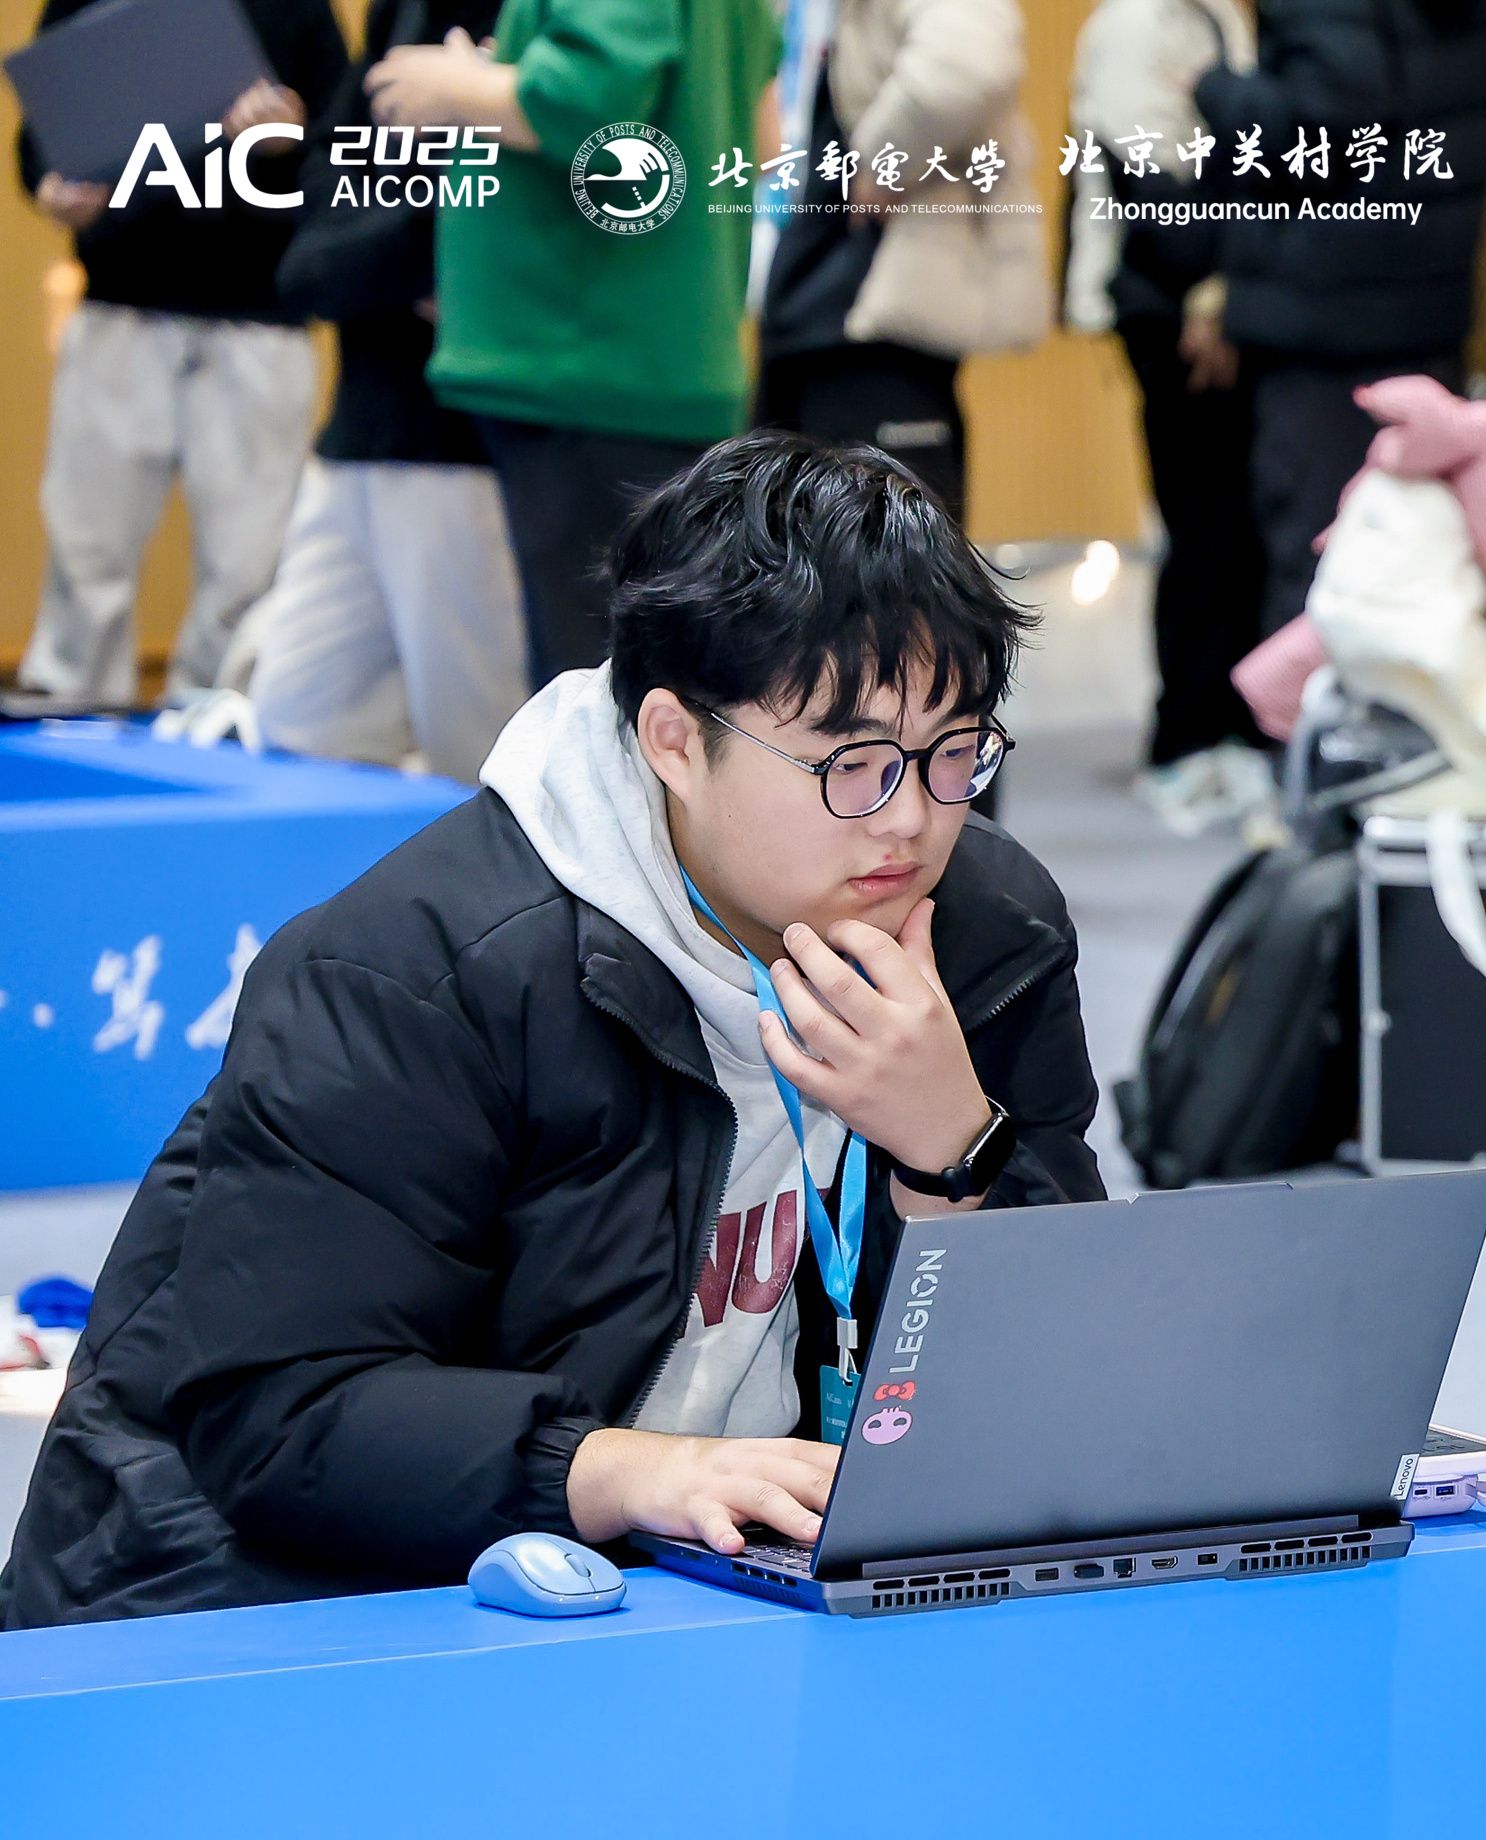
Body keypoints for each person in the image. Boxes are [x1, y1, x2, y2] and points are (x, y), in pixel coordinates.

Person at [2, 435, 1106, 1628]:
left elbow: (1074, 1389)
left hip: (720, 1586)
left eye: (956, 751)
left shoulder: (986, 933)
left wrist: (954, 1151)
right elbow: (279, 1415)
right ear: (675, 740)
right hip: (280, 1594)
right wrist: (625, 1471)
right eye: (854, 762)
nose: (911, 820)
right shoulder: (420, 971)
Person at [373, 0, 773, 690]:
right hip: (657, 355)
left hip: (585, 360)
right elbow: (765, 139)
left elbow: (584, 103)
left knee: (591, 692)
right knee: (639, 671)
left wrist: (453, 86)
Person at [11, 1, 343, 706]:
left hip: (257, 316)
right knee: (86, 545)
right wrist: (51, 186)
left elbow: (343, 145)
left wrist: (287, 140)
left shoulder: (296, 9)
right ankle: (68, 709)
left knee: (247, 562)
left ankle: (220, 719)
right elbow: (45, 128)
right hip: (121, 303)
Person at [1198, 0, 1486, 635]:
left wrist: (1214, 88)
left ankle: (1312, 706)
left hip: (1320, 318)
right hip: (1432, 304)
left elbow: (1308, 143)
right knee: (1411, 551)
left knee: (1318, 568)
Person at [249, 0, 528, 784]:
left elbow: (488, 217)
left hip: (467, 446)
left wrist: (369, 259)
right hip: (358, 439)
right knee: (298, 723)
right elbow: (316, 223)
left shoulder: (530, 18)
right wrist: (366, 262)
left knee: (481, 754)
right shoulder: (400, 11)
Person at [1067, 0, 1274, 826]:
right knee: (1203, 530)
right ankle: (1186, 738)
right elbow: (1153, 184)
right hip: (1172, 309)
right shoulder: (1139, 23)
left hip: (1213, 300)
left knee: (1231, 531)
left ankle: (1223, 729)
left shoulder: (1215, 15)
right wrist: (1213, 291)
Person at [754, 0, 1052, 524]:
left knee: (885, 556)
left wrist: (879, 160)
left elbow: (967, 63)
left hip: (870, 315)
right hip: (818, 313)